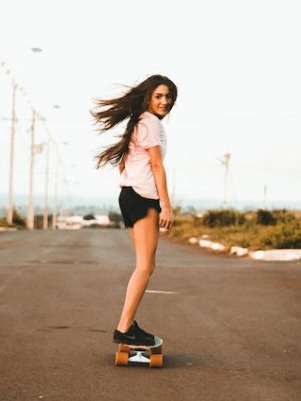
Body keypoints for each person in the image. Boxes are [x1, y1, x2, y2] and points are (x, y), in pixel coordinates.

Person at [92, 74, 178, 346]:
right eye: (159, 96)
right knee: (145, 266)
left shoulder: (139, 121)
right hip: (143, 196)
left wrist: (131, 185)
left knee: (143, 265)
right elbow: (156, 166)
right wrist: (166, 205)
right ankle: (124, 327)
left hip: (129, 195)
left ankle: (127, 324)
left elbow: (123, 163)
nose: (165, 101)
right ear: (148, 97)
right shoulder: (149, 122)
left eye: (168, 96)